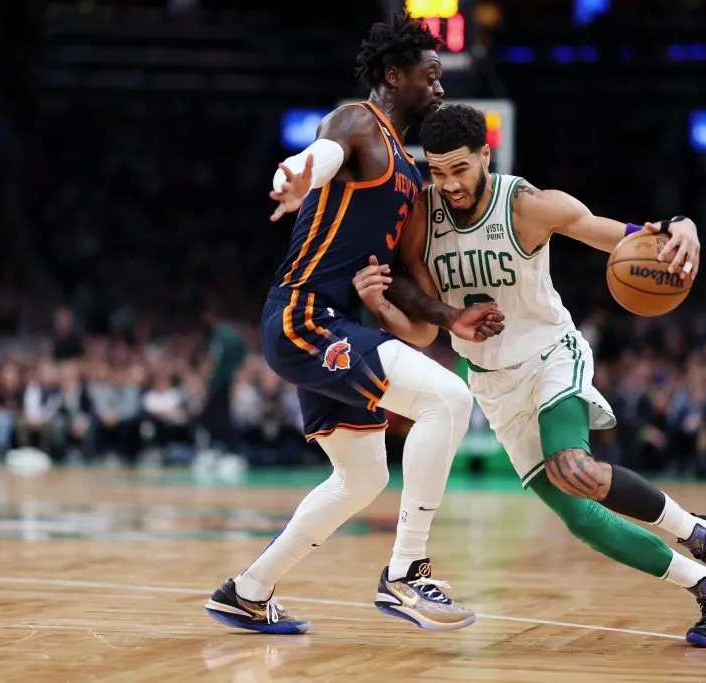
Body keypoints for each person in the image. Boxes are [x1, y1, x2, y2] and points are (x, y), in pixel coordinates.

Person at [352, 104, 706, 648]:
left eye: (460, 169)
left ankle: (705, 535)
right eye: (438, 171)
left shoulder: (527, 206)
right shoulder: (422, 219)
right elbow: (427, 333)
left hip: (550, 356)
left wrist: (678, 227)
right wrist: (381, 306)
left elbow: (624, 236)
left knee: (577, 468)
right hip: (492, 383)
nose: (448, 183)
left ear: (485, 157)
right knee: (583, 518)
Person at [205, 15, 504, 635]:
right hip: (302, 315)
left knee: (364, 475)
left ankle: (247, 592)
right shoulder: (359, 124)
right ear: (395, 76)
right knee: (450, 399)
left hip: (331, 325)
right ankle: (407, 574)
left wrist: (454, 319)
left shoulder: (414, 179)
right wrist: (295, 174)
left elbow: (406, 281)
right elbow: (322, 152)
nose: (440, 88)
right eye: (431, 75)